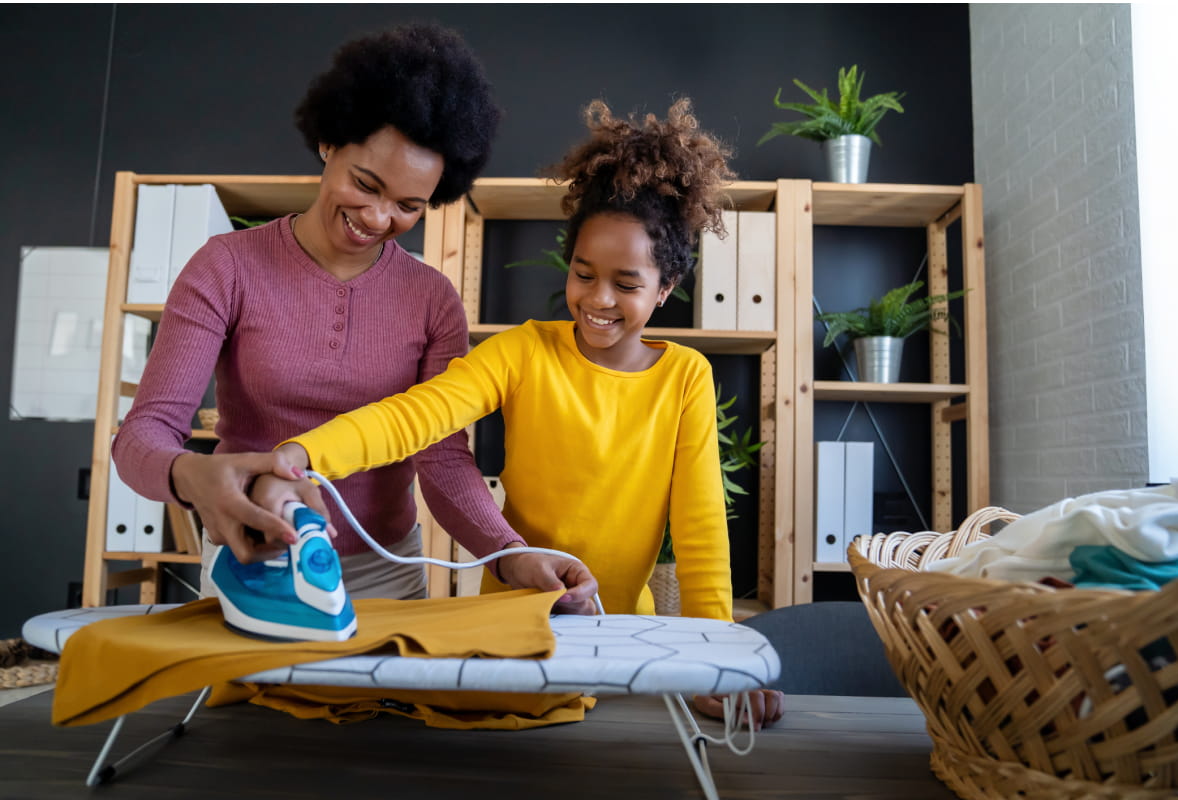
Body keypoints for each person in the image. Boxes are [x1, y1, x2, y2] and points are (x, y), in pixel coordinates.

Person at [251, 97, 785, 728]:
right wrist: (304, 454)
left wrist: (713, 659)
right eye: (584, 274)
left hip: (625, 638)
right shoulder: (524, 351)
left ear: (665, 288)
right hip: (515, 622)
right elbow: (415, 416)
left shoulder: (684, 377)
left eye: (627, 283)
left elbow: (700, 534)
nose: (599, 299)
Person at [111, 22, 596, 612]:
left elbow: (440, 457)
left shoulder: (431, 298)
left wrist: (510, 552)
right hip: (256, 560)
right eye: (365, 183)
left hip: (389, 572)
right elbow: (143, 434)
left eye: (409, 205)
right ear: (329, 143)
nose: (377, 216)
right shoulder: (227, 268)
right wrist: (190, 476)